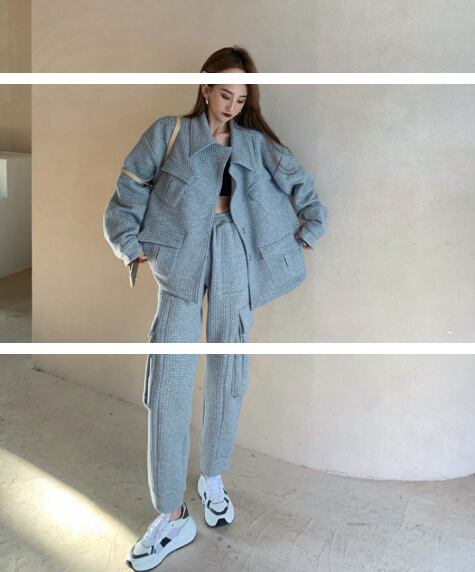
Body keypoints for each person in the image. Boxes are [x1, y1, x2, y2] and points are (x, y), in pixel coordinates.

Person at [103, 45, 327, 571]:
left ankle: (212, 477)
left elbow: (300, 184)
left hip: (234, 253)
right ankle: (171, 514)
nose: (232, 105)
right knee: (169, 380)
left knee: (229, 370)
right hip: (178, 259)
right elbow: (128, 188)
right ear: (204, 87)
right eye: (225, 94)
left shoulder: (255, 143)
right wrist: (130, 244)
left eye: (241, 98)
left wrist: (310, 229)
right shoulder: (169, 133)